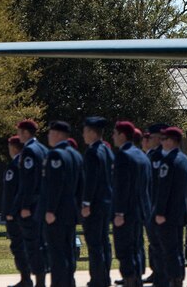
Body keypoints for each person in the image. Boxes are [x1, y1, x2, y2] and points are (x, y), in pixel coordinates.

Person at [42, 121, 84, 287]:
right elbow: (81, 186)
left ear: (58, 134)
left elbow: (55, 185)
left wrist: (50, 209)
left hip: (57, 213)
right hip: (71, 212)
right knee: (68, 252)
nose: (49, 136)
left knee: (57, 254)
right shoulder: (76, 155)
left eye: (51, 132)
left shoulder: (56, 155)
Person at [113, 121, 152, 287]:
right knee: (136, 249)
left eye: (115, 134)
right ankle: (136, 282)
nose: (113, 137)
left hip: (126, 212)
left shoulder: (124, 155)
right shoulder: (141, 155)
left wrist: (119, 212)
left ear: (122, 135)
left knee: (125, 251)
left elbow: (122, 186)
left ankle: (130, 281)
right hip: (140, 211)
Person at [152, 127, 187, 287]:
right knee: (177, 250)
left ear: (170, 141)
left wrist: (159, 212)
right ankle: (178, 278)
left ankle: (173, 280)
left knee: (169, 251)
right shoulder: (184, 160)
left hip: (167, 214)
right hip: (180, 212)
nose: (161, 142)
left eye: (163, 139)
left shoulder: (168, 161)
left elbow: (164, 189)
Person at [16, 119, 50, 287]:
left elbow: (29, 181)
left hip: (32, 204)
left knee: (32, 243)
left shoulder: (29, 151)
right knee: (41, 242)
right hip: (43, 202)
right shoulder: (43, 149)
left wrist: (25, 206)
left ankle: (39, 281)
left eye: (20, 132)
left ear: (26, 133)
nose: (18, 135)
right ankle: (41, 279)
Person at [82, 117, 115, 287]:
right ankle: (105, 276)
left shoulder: (92, 152)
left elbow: (91, 180)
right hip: (106, 202)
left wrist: (86, 203)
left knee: (95, 243)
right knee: (104, 241)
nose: (83, 135)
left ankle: (98, 279)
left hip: (95, 204)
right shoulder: (106, 150)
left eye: (85, 131)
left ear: (92, 133)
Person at [4, 135, 34, 287]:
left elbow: (12, 192)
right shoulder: (23, 163)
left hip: (14, 214)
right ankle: (26, 277)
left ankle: (25, 278)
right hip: (20, 212)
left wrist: (10, 212)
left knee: (18, 246)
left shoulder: (16, 164)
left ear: (14, 148)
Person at [144, 123, 168, 286]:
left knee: (160, 243)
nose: (148, 140)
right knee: (153, 242)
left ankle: (162, 274)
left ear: (160, 138)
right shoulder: (151, 155)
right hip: (150, 204)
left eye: (151, 137)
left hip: (157, 205)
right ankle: (155, 271)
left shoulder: (161, 156)